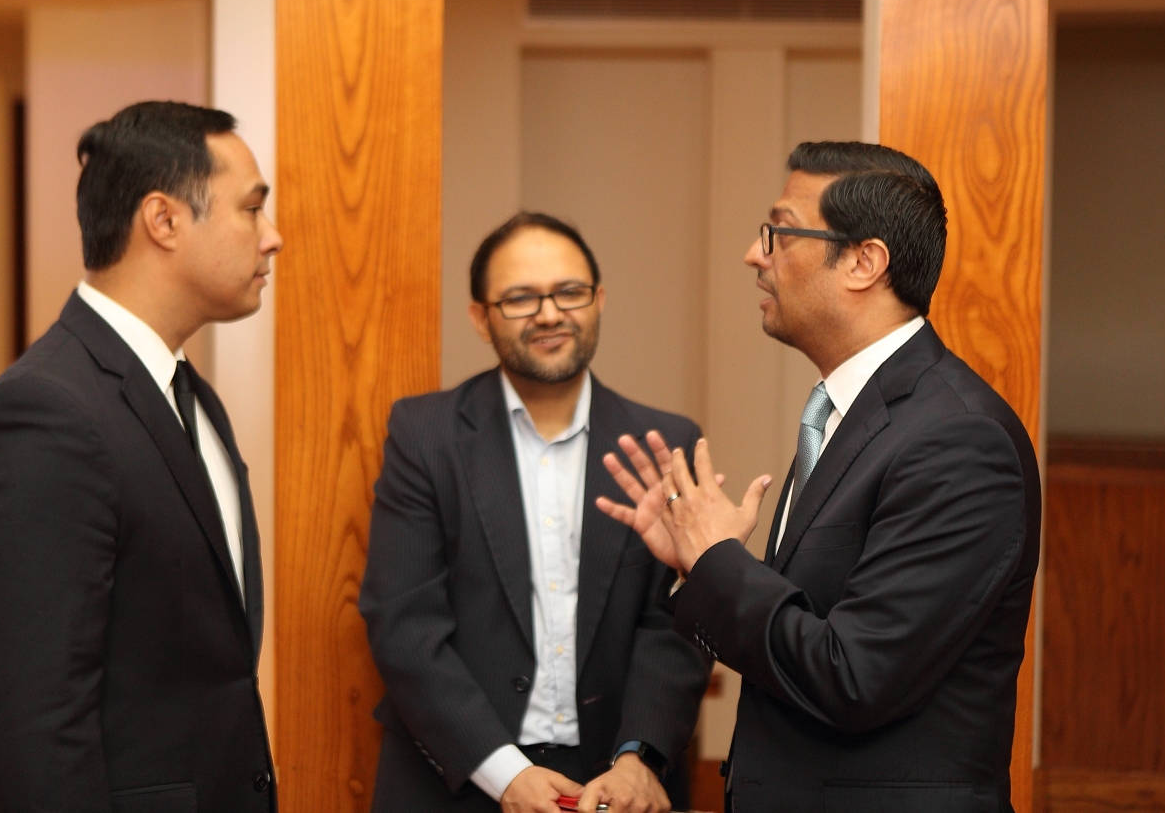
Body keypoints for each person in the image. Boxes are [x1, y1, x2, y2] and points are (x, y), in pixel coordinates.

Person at [598, 142, 1041, 813]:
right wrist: (701, 564)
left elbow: (854, 676)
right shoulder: (850, 411)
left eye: (777, 232)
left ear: (864, 262)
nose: (756, 255)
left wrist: (717, 562)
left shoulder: (958, 438)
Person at [0, 101, 283, 811]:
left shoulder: (190, 394)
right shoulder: (45, 413)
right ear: (163, 220)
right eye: (252, 210)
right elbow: (34, 730)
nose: (273, 237)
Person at [360, 213, 710, 813]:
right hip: (459, 777)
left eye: (570, 292)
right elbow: (404, 624)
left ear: (599, 301)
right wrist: (504, 773)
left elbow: (677, 624)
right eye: (520, 298)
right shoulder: (425, 436)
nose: (550, 314)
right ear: (480, 316)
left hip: (616, 786)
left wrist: (640, 758)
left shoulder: (661, 441)